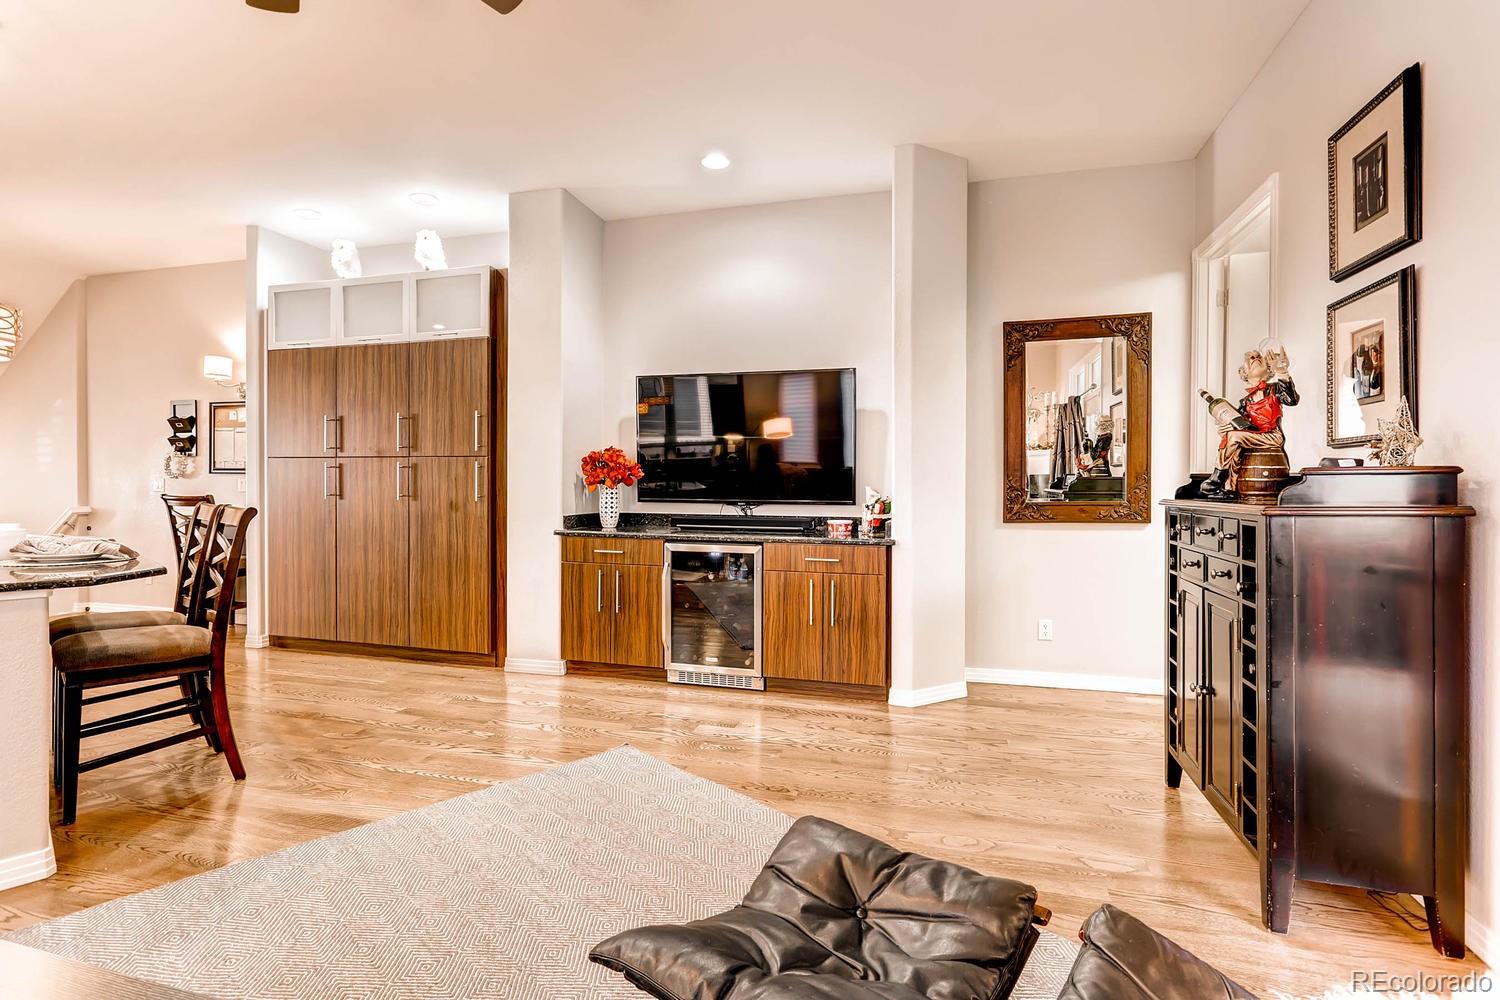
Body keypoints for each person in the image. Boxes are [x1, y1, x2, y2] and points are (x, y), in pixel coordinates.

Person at [1199, 349, 1299, 500]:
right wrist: (1226, 429)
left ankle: (1217, 478)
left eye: (1259, 356)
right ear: (1244, 372)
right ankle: (1230, 488)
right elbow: (1242, 425)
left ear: (1269, 368)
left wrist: (1282, 372)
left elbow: (1292, 400)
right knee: (1233, 440)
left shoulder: (1275, 389)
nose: (1255, 357)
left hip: (1272, 436)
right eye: (1250, 358)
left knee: (1234, 437)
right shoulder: (1245, 402)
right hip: (1254, 436)